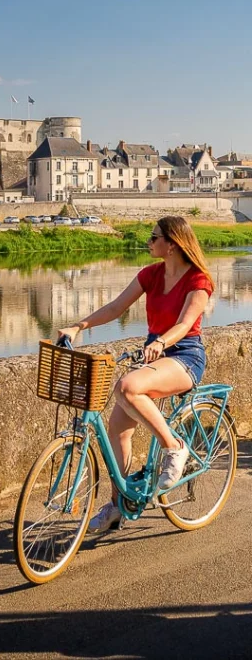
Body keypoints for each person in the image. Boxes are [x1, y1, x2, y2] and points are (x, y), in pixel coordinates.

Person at [58, 216, 213, 534]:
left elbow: (184, 325)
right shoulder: (150, 275)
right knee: (117, 430)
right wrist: (77, 327)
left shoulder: (198, 280)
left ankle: (175, 446)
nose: (148, 242)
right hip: (154, 354)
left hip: (184, 355)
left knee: (127, 387)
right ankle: (119, 505)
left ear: (171, 244)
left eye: (153, 237)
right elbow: (115, 308)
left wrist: (161, 341)